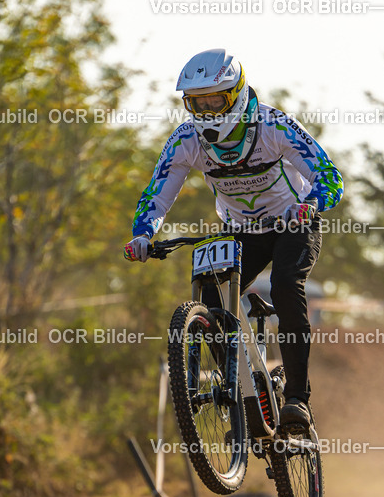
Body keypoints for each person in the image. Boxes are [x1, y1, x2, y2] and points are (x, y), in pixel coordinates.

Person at [124, 49, 344, 429]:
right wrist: (143, 234)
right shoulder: (186, 141)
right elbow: (158, 194)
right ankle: (241, 384)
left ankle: (297, 400)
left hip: (293, 223)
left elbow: (329, 175)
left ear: (238, 95)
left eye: (216, 101)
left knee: (286, 285)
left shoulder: (273, 126)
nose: (207, 112)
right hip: (242, 230)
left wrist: (312, 203)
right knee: (210, 295)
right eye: (197, 103)